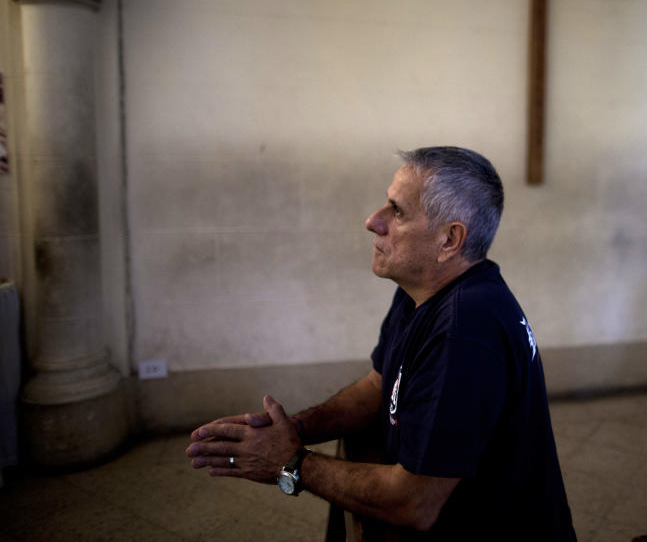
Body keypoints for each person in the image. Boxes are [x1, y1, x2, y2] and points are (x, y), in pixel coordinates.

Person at [186, 146, 576, 540]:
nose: (373, 221)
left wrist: (289, 462)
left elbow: (415, 503)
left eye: (398, 211)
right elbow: (377, 386)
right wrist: (294, 430)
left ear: (449, 240)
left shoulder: (465, 330)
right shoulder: (421, 291)